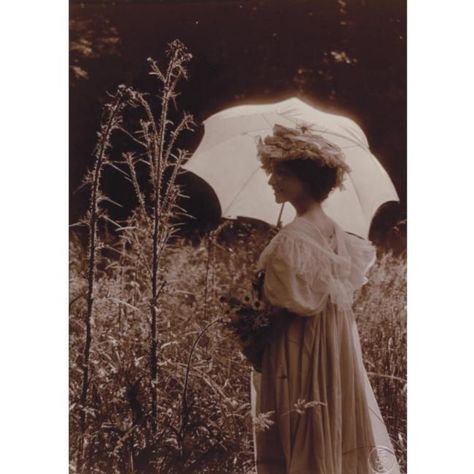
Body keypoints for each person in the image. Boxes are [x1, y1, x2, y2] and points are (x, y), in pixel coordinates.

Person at [250, 124, 400, 474]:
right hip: (334, 347)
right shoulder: (336, 233)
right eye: (272, 173)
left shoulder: (293, 239)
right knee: (330, 417)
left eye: (281, 173)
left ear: (305, 178)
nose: (273, 181)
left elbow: (286, 302)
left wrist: (260, 286)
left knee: (300, 422)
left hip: (296, 347)